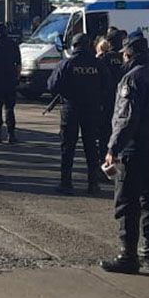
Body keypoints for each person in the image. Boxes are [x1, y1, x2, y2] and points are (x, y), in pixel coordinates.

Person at [100, 35, 149, 274]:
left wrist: (112, 148)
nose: (121, 57)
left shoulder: (132, 79)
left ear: (129, 54)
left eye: (123, 53)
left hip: (135, 148)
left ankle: (127, 256)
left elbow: (126, 118)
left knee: (127, 202)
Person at [48, 33, 113, 194]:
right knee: (91, 147)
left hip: (71, 109)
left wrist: (66, 93)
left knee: (68, 146)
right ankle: (93, 183)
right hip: (92, 109)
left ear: (74, 46)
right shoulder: (98, 64)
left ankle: (66, 183)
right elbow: (108, 85)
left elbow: (52, 85)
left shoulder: (67, 63)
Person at [0, 22, 22, 145]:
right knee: (9, 108)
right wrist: (17, 78)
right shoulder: (13, 45)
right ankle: (11, 134)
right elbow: (18, 64)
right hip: (10, 80)